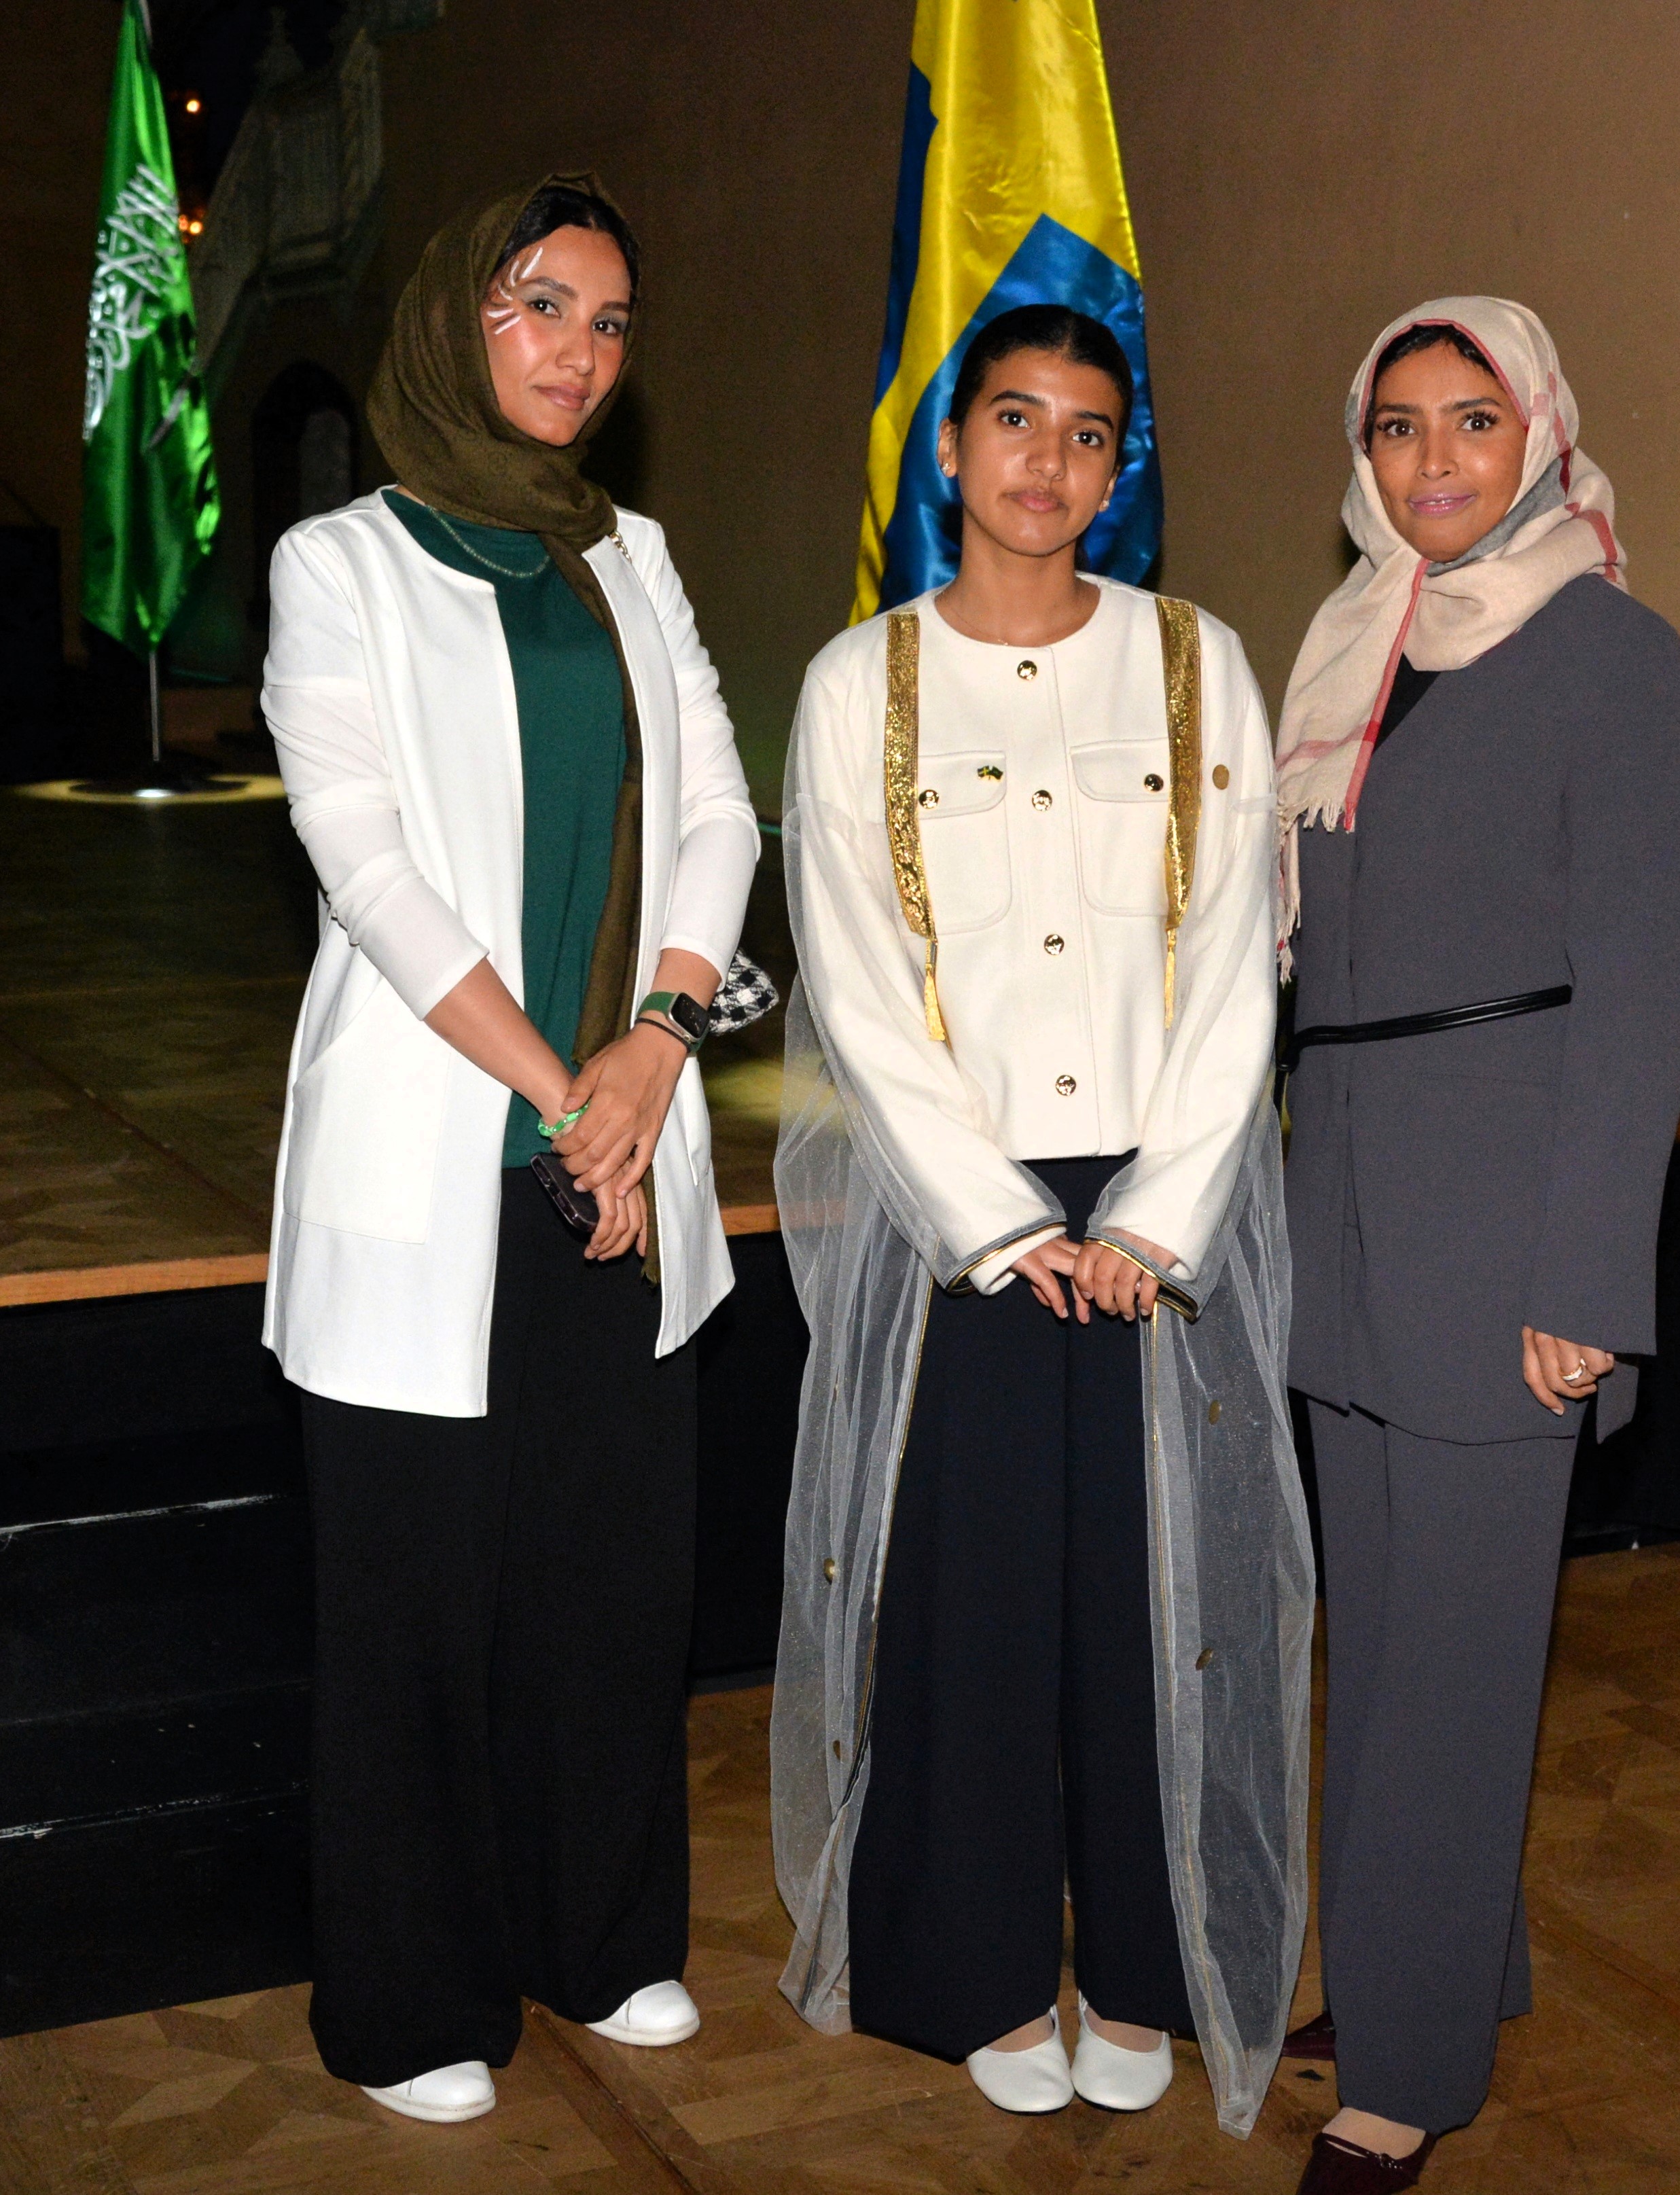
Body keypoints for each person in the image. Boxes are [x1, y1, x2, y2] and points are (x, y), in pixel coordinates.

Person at [769, 304, 1312, 2132]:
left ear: (1117, 464)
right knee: (971, 1597)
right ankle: (976, 1966)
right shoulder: (861, 683)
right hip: (963, 1212)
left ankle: (1149, 1969)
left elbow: (1237, 956)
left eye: (1089, 434)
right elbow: (853, 976)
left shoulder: (1196, 660)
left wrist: (1157, 1214)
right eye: (1015, 421)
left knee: (1163, 1604)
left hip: (1163, 1203)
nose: (1047, 463)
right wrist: (1000, 1226)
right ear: (950, 446)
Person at [260, 174, 759, 2124]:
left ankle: (603, 1937)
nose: (579, 351)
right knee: (417, 1609)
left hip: (624, 1142)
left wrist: (657, 1044)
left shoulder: (632, 552)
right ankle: (409, 2005)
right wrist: (571, 1092)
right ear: (458, 316)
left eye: (610, 320)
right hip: (443, 1156)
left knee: (608, 1584)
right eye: (540, 305)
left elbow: (716, 808)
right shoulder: (340, 565)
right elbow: (367, 866)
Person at [1274, 297, 1680, 2191]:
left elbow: (1643, 986)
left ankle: (1410, 2068)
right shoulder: (1362, 646)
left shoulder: (1614, 651)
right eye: (1397, 425)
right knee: (1385, 1641)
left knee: (1456, 1663)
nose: (1433, 459)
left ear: (1539, 431)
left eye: (1472, 419)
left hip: (1508, 1225)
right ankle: (1437, 1957)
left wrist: (1589, 1279)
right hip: (1352, 1204)